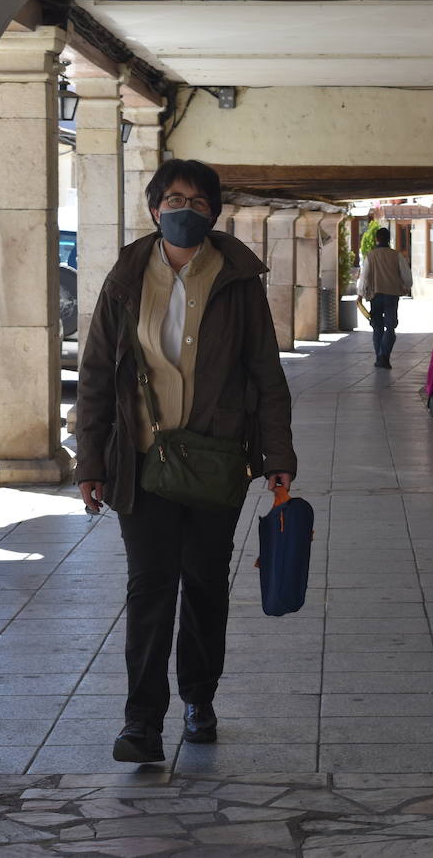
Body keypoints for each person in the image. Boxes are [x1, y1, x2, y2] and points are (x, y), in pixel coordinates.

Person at [74, 158, 297, 763]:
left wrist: (277, 453)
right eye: (173, 199)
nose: (184, 211)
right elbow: (96, 376)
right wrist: (89, 462)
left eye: (199, 203)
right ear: (153, 208)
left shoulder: (237, 280)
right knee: (150, 587)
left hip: (216, 460)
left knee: (203, 585)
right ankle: (141, 721)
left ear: (214, 213)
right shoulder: (124, 278)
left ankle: (200, 699)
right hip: (142, 462)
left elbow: (265, 374)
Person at [356, 226, 413, 368]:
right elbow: (407, 276)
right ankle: (383, 357)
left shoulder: (371, 255)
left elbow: (365, 276)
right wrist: (407, 285)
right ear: (389, 239)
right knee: (390, 327)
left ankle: (380, 357)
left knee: (377, 328)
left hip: (375, 295)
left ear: (377, 239)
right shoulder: (396, 255)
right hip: (392, 295)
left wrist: (360, 294)